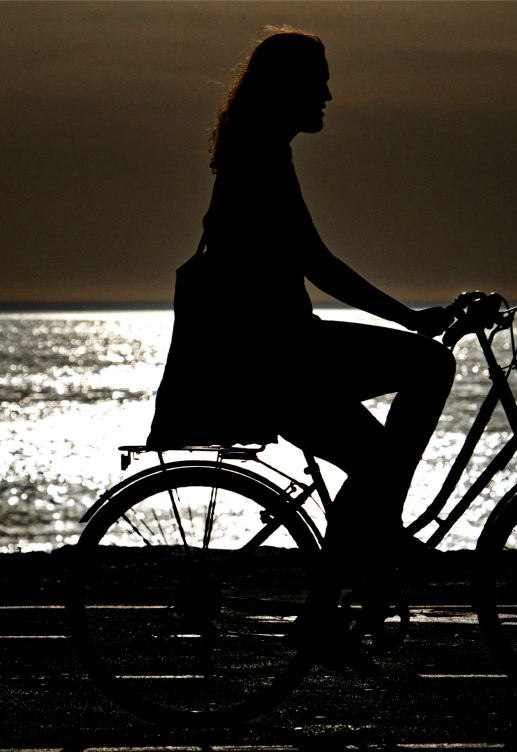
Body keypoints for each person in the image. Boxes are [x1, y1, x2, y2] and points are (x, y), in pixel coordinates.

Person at [148, 27, 456, 570]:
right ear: (287, 88)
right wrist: (408, 319)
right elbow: (317, 263)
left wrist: (407, 318)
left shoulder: (255, 153)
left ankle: (343, 583)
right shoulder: (261, 160)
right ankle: (378, 537)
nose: (328, 96)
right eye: (319, 83)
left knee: (376, 462)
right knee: (430, 366)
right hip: (279, 357)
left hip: (270, 358)